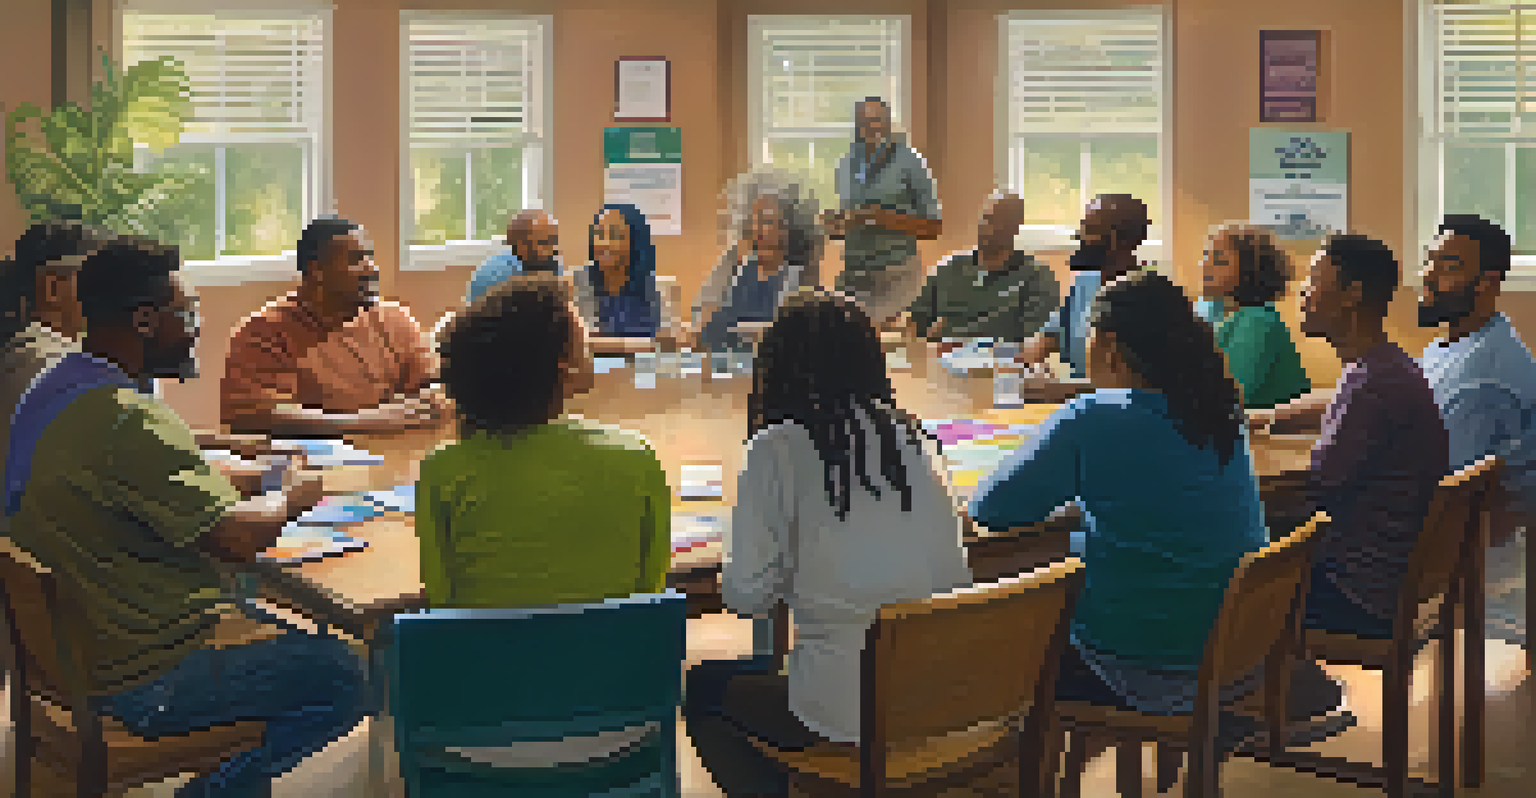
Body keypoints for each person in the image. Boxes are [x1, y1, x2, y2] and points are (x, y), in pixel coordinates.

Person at [7, 235, 367, 798]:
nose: (197, 327)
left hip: (82, 648)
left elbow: (142, 475)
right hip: (144, 675)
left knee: (270, 618)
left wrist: (245, 470)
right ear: (145, 320)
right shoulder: (126, 418)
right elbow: (237, 539)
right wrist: (293, 496)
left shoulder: (58, 387)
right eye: (189, 313)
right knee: (350, 671)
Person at [685, 289, 972, 796]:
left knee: (706, 690)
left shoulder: (776, 448)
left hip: (848, 712)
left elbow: (746, 597)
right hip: (941, 699)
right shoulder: (918, 438)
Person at [970, 270, 1267, 717]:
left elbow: (991, 509)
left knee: (1000, 625)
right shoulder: (1220, 408)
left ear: (1107, 343)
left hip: (1142, 663)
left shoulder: (1092, 417)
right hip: (1239, 650)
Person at [418, 274, 670, 609]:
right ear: (562, 364)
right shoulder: (637, 459)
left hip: (488, 659)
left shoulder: (442, 470)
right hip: (610, 657)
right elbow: (650, 590)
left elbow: (441, 599)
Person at [1254, 234, 1449, 639]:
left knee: (1225, 590)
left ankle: (1255, 698)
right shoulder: (1387, 366)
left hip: (1358, 592)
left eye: (1313, 280)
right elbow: (1334, 401)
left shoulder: (1371, 385)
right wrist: (1269, 417)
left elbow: (1315, 491)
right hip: (1392, 580)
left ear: (1351, 295)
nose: (1302, 293)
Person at [221, 215, 446, 436]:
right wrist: (369, 421)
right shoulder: (264, 331)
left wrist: (426, 401)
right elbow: (255, 416)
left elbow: (434, 388)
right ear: (317, 271)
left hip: (400, 458)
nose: (372, 269)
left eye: (370, 258)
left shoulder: (396, 320)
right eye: (356, 260)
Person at [1417, 214, 1536, 549]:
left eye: (1448, 267)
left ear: (1487, 282)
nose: (1428, 275)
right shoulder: (1459, 343)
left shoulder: (1482, 381)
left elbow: (1447, 501)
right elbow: (1390, 392)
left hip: (1471, 567)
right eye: (1429, 261)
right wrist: (1273, 416)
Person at [825, 97, 943, 325]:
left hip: (897, 277)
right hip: (854, 277)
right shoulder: (846, 164)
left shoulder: (911, 162)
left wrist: (881, 217)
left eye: (877, 120)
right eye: (864, 122)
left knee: (895, 351)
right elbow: (846, 224)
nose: (872, 127)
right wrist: (835, 225)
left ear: (888, 124)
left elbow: (933, 227)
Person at [1019, 194, 1149, 385]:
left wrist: (1063, 390)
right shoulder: (1084, 283)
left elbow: (1130, 386)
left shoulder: (1146, 297)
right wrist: (1031, 364)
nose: (1079, 236)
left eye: (1089, 229)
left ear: (1118, 241)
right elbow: (1051, 335)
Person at [691, 167, 823, 352]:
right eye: (755, 220)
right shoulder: (733, 264)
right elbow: (702, 319)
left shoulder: (801, 273)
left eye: (767, 221)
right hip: (727, 365)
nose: (759, 228)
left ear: (788, 227)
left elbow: (803, 333)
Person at [904, 190, 1059, 343]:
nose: (988, 227)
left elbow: (1035, 340)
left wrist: (955, 338)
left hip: (1004, 363)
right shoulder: (948, 269)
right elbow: (915, 323)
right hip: (940, 361)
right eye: (986, 219)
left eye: (999, 221)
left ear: (1015, 228)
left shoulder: (1037, 276)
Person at [1197, 223, 1311, 409]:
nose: (1205, 266)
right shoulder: (1207, 309)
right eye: (1205, 256)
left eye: (1220, 261)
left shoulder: (1259, 321)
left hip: (1270, 431)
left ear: (1249, 273)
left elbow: (1229, 395)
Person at [574, 203, 665, 339]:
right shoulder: (581, 281)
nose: (604, 243)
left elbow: (666, 342)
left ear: (634, 241)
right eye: (599, 234)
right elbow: (584, 341)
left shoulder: (657, 288)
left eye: (615, 235)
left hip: (644, 360)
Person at [465, 209, 563, 306]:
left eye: (554, 240)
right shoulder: (496, 274)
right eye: (544, 242)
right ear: (521, 245)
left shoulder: (549, 263)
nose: (553, 249)